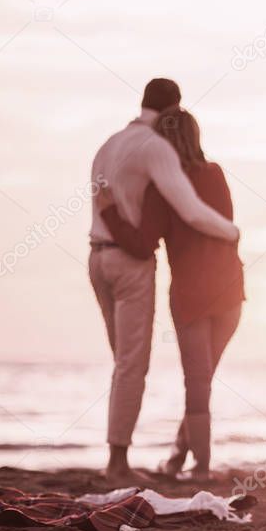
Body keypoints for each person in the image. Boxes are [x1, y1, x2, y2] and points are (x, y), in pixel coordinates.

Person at [88, 78, 240, 486]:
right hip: (136, 261)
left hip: (97, 256)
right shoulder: (158, 150)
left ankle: (171, 456)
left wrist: (109, 213)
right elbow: (189, 210)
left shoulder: (109, 144)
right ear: (175, 108)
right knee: (134, 365)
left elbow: (102, 195)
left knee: (126, 361)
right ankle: (120, 462)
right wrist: (231, 231)